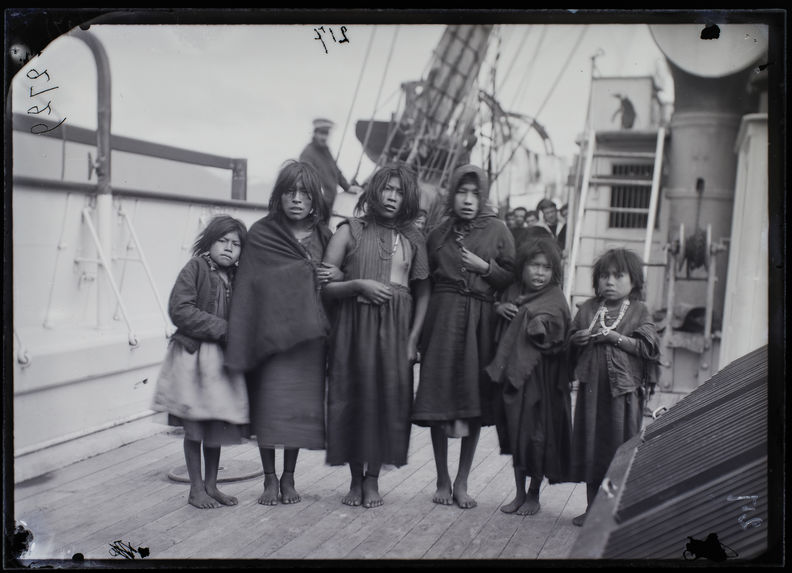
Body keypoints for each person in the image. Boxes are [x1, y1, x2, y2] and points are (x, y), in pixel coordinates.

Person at [225, 160, 341, 506]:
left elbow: (338, 274)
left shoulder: (324, 235)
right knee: (269, 408)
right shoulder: (261, 233)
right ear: (280, 195)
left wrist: (332, 276)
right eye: (289, 191)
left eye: (304, 193)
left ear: (314, 199)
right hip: (270, 336)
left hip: (309, 339)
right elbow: (251, 287)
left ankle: (289, 477)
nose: (296, 198)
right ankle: (269, 479)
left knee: (298, 411)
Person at [322, 164, 431, 509]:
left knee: (389, 403)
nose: (391, 197)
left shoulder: (414, 239)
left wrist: (413, 340)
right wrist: (357, 285)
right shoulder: (349, 230)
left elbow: (424, 292)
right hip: (354, 328)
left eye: (399, 192)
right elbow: (324, 288)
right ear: (373, 191)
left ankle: (373, 480)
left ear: (407, 198)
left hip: (397, 329)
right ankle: (355, 479)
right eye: (386, 189)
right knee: (353, 399)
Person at [413, 164, 515, 509]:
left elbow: (513, 279)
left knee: (472, 402)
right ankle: (441, 478)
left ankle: (462, 481)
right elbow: (422, 284)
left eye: (475, 193)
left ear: (483, 196)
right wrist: (416, 336)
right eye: (462, 192)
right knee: (438, 398)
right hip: (441, 320)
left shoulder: (499, 230)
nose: (468, 200)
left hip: (479, 323)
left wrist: (485, 268)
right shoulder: (437, 234)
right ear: (452, 194)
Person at [151, 215, 249, 509]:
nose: (229, 248)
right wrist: (224, 329)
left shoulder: (238, 277)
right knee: (195, 426)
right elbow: (179, 309)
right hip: (193, 358)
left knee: (215, 423)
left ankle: (211, 485)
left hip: (221, 363)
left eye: (236, 244)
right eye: (223, 241)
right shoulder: (194, 268)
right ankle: (195, 488)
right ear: (209, 242)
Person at [568, 248, 660, 526]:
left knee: (620, 450)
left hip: (624, 394)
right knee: (592, 446)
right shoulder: (587, 309)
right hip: (591, 394)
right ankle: (592, 509)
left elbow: (647, 347)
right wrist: (578, 339)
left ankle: (615, 511)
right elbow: (570, 340)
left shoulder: (639, 310)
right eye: (604, 276)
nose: (609, 281)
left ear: (634, 282)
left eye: (618, 276)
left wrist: (615, 338)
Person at [485, 237, 572, 516]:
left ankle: (534, 494)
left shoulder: (556, 297)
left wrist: (540, 325)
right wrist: (499, 309)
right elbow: (499, 315)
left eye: (546, 268)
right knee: (516, 431)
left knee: (537, 434)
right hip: (514, 377)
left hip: (542, 378)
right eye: (534, 266)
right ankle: (519, 493)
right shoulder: (512, 291)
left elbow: (560, 333)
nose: (539, 273)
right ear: (522, 267)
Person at [299, 118, 363, 221]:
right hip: (316, 206)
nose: (324, 137)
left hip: (329, 204)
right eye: (321, 133)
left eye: (326, 134)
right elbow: (307, 180)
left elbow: (336, 171)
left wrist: (347, 187)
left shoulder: (326, 151)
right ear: (315, 133)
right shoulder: (307, 153)